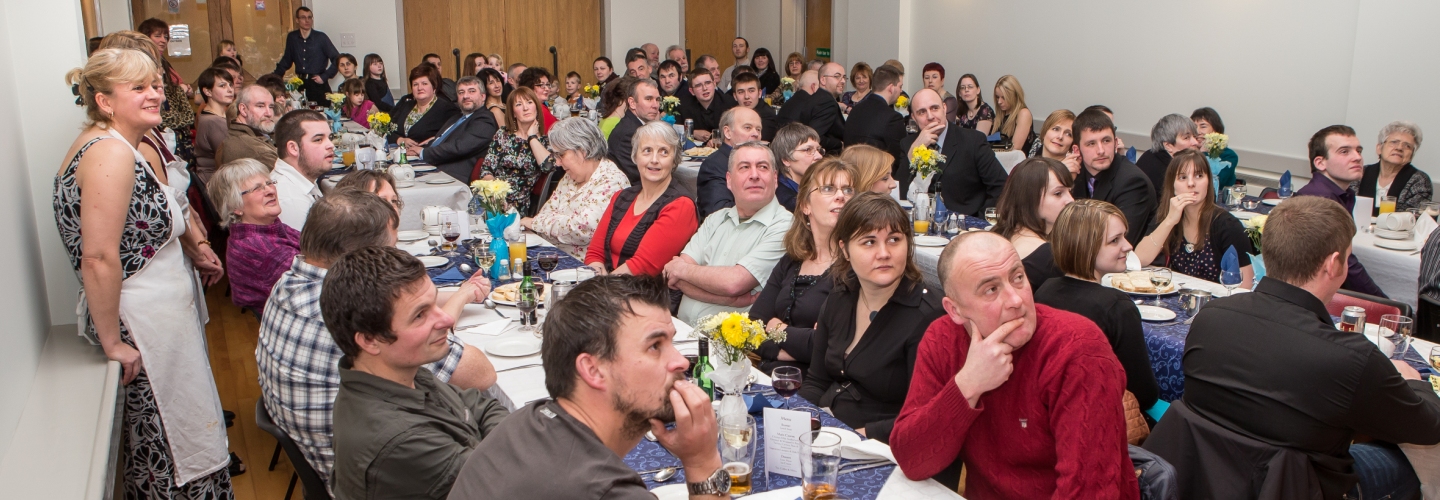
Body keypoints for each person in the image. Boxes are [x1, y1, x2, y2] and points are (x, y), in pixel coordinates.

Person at [1168, 195, 1440, 499]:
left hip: (1210, 478)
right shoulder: (1349, 357)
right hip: (1301, 485)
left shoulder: (1210, 318)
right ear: (1332, 264)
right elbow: (1428, 427)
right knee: (1418, 463)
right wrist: (1417, 384)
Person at [59, 48, 231, 498]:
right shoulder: (109, 155)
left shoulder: (116, 145)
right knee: (171, 448)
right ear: (104, 101)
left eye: (155, 84)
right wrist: (114, 342)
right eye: (138, 88)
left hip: (159, 318)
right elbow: (97, 257)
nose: (155, 94)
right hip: (144, 327)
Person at [258, 189, 498, 487]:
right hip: (389, 475)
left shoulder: (289, 283)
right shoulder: (355, 319)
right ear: (365, 260)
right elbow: (482, 375)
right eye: (393, 250)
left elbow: (475, 404)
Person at [890, 231, 1139, 496]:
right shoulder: (942, 339)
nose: (1016, 300)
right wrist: (968, 385)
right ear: (955, 310)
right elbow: (912, 461)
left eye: (1018, 277)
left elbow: (1089, 491)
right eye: (991, 289)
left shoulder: (1079, 351)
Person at [448, 274, 732, 498]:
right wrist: (703, 461)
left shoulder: (526, 421)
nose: (681, 362)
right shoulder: (602, 490)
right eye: (655, 346)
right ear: (593, 369)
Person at [322, 246, 508, 499]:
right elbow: (505, 479)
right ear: (370, 340)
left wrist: (488, 441)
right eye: (420, 315)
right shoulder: (400, 439)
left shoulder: (399, 373)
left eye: (434, 303)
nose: (444, 319)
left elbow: (482, 406)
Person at [797, 191, 942, 444]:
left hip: (886, 446)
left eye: (894, 239)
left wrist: (857, 438)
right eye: (869, 242)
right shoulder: (840, 297)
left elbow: (928, 415)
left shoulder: (927, 315)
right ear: (845, 250)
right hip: (830, 431)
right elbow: (817, 380)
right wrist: (800, 421)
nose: (884, 253)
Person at [1036, 199, 1160, 410]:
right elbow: (1144, 394)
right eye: (1115, 240)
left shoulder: (1045, 290)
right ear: (1085, 247)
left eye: (1124, 236)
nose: (1128, 246)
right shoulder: (1116, 307)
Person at [671, 142, 792, 324]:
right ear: (729, 180)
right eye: (744, 167)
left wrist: (683, 269)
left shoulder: (785, 226)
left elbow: (734, 283)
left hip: (731, 347)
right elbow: (675, 279)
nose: (754, 175)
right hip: (682, 333)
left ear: (775, 179)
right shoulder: (715, 219)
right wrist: (728, 300)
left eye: (763, 167)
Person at [752, 159, 852, 375]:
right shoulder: (792, 259)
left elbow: (829, 346)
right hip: (767, 375)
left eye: (848, 189)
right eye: (828, 188)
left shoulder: (854, 267)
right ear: (806, 205)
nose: (840, 196)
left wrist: (777, 328)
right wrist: (782, 351)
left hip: (815, 387)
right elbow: (753, 326)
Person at [586, 122, 699, 276]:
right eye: (647, 151)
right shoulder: (621, 197)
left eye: (664, 152)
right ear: (635, 156)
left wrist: (603, 289)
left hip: (646, 295)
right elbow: (594, 254)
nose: (654, 159)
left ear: (674, 160)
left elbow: (642, 267)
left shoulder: (680, 205)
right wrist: (598, 283)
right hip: (608, 288)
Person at [1136, 150, 1254, 287]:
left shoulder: (1228, 225)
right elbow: (1140, 259)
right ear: (1172, 184)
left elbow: (1245, 286)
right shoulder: (1168, 216)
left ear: (1208, 181)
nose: (1191, 183)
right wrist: (1169, 221)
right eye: (1183, 177)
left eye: (1199, 176)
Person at [1296, 125, 1388, 298]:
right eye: (1345, 151)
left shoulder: (1342, 194)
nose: (1357, 157)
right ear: (1320, 162)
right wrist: (1382, 302)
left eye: (1358, 150)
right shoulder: (1320, 200)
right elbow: (1344, 264)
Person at [520, 118, 631, 257]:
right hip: (554, 257)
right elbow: (545, 213)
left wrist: (535, 223)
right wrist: (556, 223)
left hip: (586, 268)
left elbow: (583, 228)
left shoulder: (612, 180)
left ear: (583, 150)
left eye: (561, 155)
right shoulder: (570, 177)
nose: (558, 163)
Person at [210, 158, 300, 316]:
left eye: (269, 183)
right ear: (235, 206)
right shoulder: (260, 249)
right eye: (257, 189)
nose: (271, 190)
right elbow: (322, 283)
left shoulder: (266, 229)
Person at [902, 88, 1008, 213]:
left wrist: (979, 221)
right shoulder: (908, 144)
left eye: (935, 108)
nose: (930, 116)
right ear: (914, 117)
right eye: (922, 112)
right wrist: (914, 151)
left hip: (966, 224)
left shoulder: (973, 141)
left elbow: (1002, 187)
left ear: (944, 108)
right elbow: (900, 193)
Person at [1070, 109, 1156, 245]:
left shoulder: (1133, 182)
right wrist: (1064, 180)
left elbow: (1118, 242)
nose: (1101, 150)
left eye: (1106, 141)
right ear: (1076, 150)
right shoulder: (1075, 174)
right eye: (1091, 144)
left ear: (1115, 143)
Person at [992, 157, 1073, 291]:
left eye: (1070, 191)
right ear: (1031, 199)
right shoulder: (1048, 257)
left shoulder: (1001, 233)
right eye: (1058, 193)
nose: (1070, 200)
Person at [476, 87, 555, 215]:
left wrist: (532, 137)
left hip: (519, 206)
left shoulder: (545, 141)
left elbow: (548, 167)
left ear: (536, 106)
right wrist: (496, 195)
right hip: (494, 198)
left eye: (529, 102)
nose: (525, 108)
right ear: (513, 112)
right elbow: (486, 169)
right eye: (519, 104)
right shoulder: (503, 134)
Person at [409, 76, 498, 182]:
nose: (465, 96)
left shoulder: (485, 119)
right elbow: (442, 141)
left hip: (451, 176)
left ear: (483, 96)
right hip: (430, 167)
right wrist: (417, 150)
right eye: (461, 92)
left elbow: (459, 147)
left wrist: (424, 152)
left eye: (471, 91)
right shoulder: (457, 117)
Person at [137, 19, 198, 163]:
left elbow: (188, 115)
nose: (163, 40)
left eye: (165, 37)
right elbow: (162, 115)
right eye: (157, 36)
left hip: (177, 136)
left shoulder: (164, 62)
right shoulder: (142, 66)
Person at [270, 110, 334, 231]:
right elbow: (309, 249)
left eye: (330, 137)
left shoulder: (302, 177)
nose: (331, 145)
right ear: (293, 148)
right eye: (318, 139)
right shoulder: (292, 202)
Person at [844, 64, 906, 185]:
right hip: (876, 181)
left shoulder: (856, 110)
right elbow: (898, 157)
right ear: (891, 88)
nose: (901, 91)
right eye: (900, 86)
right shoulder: (892, 118)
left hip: (851, 176)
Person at [696, 106, 763, 218]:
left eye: (758, 129)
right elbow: (719, 213)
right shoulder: (714, 165)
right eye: (747, 128)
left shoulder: (762, 163)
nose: (755, 133)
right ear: (727, 132)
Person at [1360, 120, 1432, 215]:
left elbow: (1410, 218)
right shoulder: (1361, 172)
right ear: (1379, 148)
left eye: (1407, 146)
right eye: (1394, 142)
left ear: (1411, 155)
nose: (1399, 148)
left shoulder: (1419, 180)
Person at [271, 7, 339, 104]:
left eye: (309, 17)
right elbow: (286, 61)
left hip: (318, 85)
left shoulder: (321, 38)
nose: (307, 20)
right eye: (303, 17)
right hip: (300, 84)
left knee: (321, 114)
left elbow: (337, 59)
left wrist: (324, 76)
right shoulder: (292, 37)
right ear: (297, 20)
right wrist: (273, 79)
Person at [389, 64, 461, 148]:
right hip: (399, 155)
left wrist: (435, 140)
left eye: (424, 84)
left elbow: (457, 134)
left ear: (434, 87)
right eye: (415, 84)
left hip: (428, 157)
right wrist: (400, 139)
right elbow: (388, 130)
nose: (420, 88)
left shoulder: (447, 109)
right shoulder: (406, 105)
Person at [778, 67, 845, 153]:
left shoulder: (789, 103)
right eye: (837, 76)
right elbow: (816, 136)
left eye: (843, 77)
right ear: (814, 86)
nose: (843, 81)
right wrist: (839, 144)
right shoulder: (823, 101)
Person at [607, 78, 660, 185]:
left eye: (657, 99)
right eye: (648, 99)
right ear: (632, 103)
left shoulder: (636, 125)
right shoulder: (629, 133)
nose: (655, 105)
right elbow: (640, 176)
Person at [1136, 114, 1202, 196]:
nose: (1195, 142)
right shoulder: (1165, 171)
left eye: (1195, 137)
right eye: (1186, 138)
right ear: (1168, 145)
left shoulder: (1152, 154)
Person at [218, 84, 279, 168]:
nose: (269, 113)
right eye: (260, 106)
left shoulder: (238, 134)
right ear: (243, 109)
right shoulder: (259, 152)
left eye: (271, 107)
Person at [193, 67, 235, 182]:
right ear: (207, 91)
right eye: (222, 86)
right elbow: (230, 157)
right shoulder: (212, 121)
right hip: (216, 182)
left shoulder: (216, 116)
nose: (230, 90)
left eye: (230, 85)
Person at [770, 123, 824, 211]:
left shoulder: (815, 185)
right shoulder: (784, 199)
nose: (819, 156)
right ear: (786, 159)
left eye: (818, 149)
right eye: (808, 150)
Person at [677, 69, 735, 145]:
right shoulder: (683, 105)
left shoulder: (729, 103)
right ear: (692, 91)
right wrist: (692, 132)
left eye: (708, 83)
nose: (704, 88)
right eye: (698, 85)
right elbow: (675, 130)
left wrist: (718, 140)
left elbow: (735, 131)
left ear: (714, 84)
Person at [1191, 107, 1238, 188]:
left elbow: (1216, 183)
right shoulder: (1187, 152)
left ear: (1215, 130)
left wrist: (1204, 154)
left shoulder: (1229, 155)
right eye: (1194, 127)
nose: (1197, 132)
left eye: (1203, 126)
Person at [992, 75, 1035, 154]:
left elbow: (1015, 149)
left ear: (1014, 96)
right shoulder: (1000, 115)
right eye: (997, 97)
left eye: (1004, 97)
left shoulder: (1023, 114)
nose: (999, 102)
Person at [731, 71, 777, 141]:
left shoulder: (768, 116)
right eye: (741, 92)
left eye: (751, 91)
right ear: (735, 96)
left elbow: (756, 142)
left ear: (759, 93)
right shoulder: (732, 112)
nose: (746, 96)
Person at [1032, 109, 1081, 175]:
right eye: (1056, 129)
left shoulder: (1074, 172)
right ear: (1044, 132)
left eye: (1068, 134)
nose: (1060, 137)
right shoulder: (1023, 169)